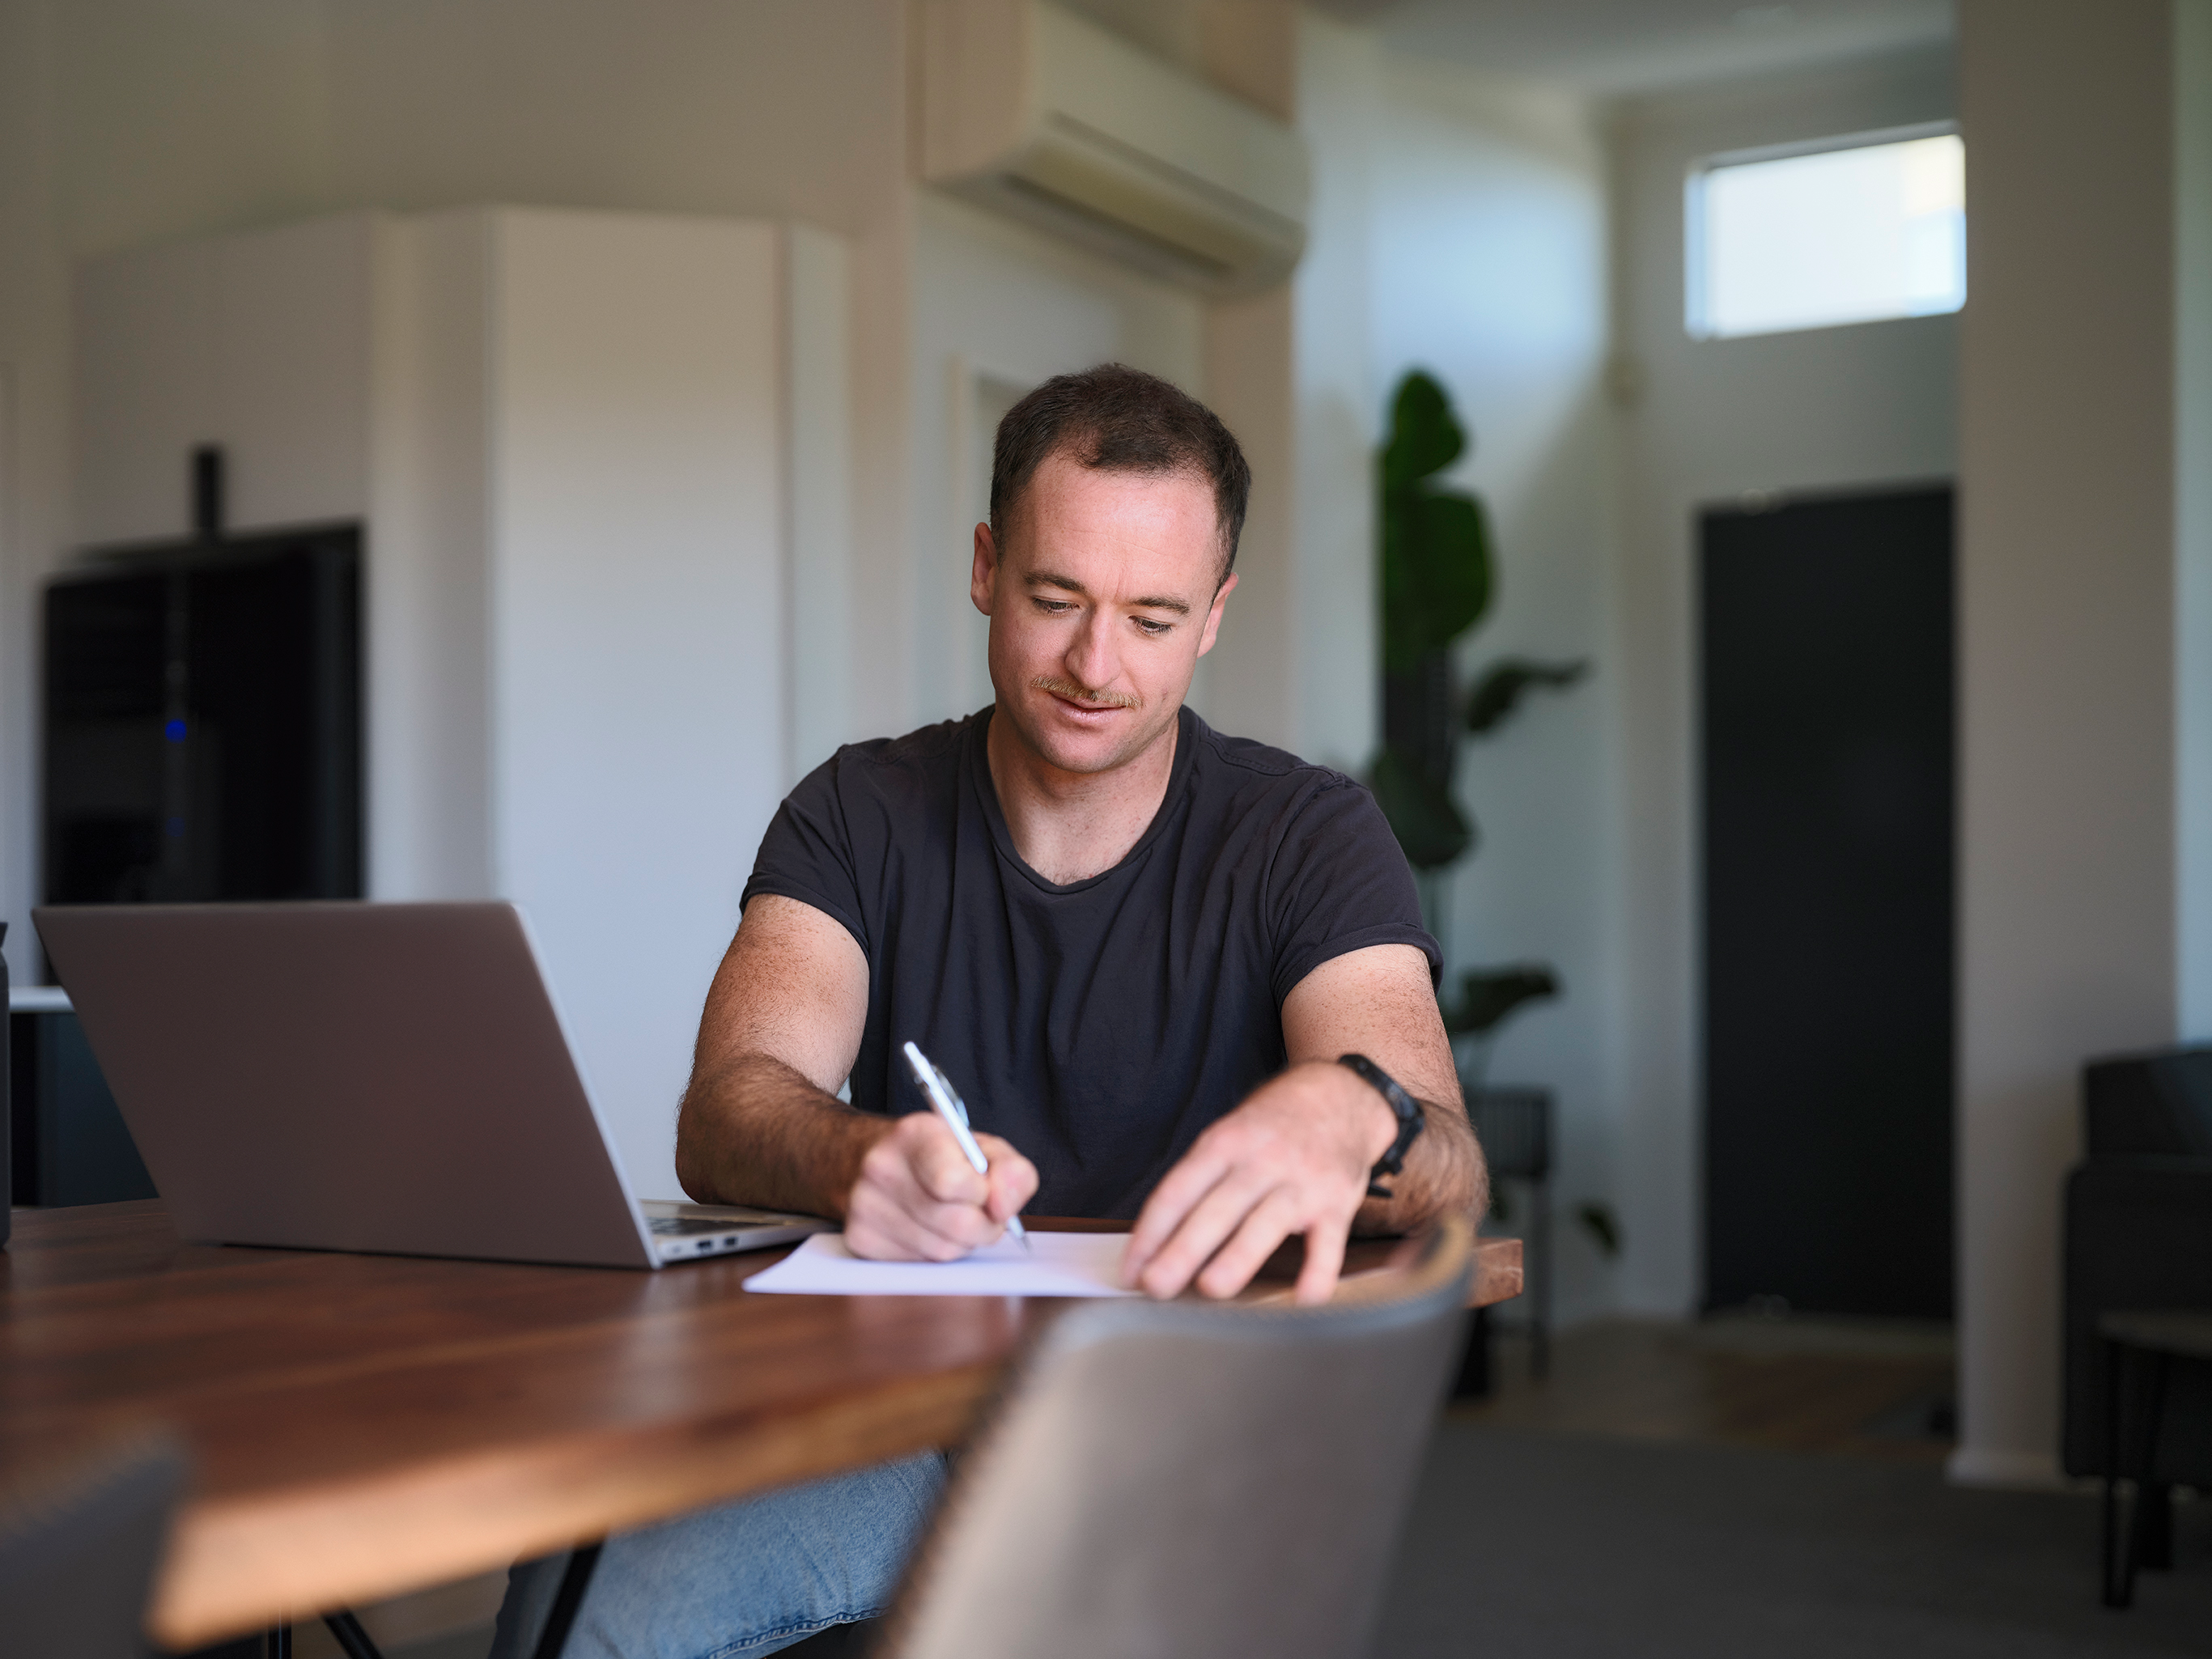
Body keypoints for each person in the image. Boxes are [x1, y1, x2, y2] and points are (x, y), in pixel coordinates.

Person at [491, 363, 1484, 1659]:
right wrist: (861, 1159)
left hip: (1186, 1432)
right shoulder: (860, 811)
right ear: (983, 567)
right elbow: (730, 1104)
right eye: (1055, 597)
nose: (1094, 663)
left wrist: (1365, 1112)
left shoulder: (1310, 835)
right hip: (900, 1415)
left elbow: (1453, 1167)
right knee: (582, 1600)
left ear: (1215, 617)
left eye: (1152, 615)